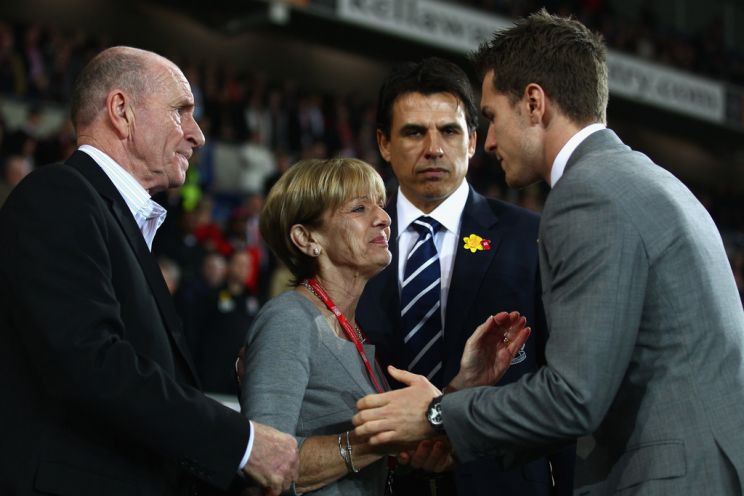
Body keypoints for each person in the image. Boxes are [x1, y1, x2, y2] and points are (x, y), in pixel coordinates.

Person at [353, 9, 744, 495]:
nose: (489, 141)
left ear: (534, 103)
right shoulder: (641, 178)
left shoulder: (588, 196)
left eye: (492, 118)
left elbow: (574, 397)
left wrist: (437, 414)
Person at [0, 46, 298, 495]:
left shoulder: (117, 219)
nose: (197, 135)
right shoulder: (58, 195)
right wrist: (242, 444)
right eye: (181, 112)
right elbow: (92, 363)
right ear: (121, 111)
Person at [238, 157, 530, 495]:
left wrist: (463, 385)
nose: (384, 218)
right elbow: (263, 466)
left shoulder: (353, 331)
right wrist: (377, 440)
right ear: (306, 238)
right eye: (359, 209)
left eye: (380, 204)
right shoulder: (289, 319)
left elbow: (380, 456)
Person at [355, 57, 574, 495]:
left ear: (473, 140)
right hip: (375, 480)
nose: (433, 148)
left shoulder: (531, 238)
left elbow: (562, 382)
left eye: (449, 131)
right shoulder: (351, 237)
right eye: (414, 132)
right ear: (383, 143)